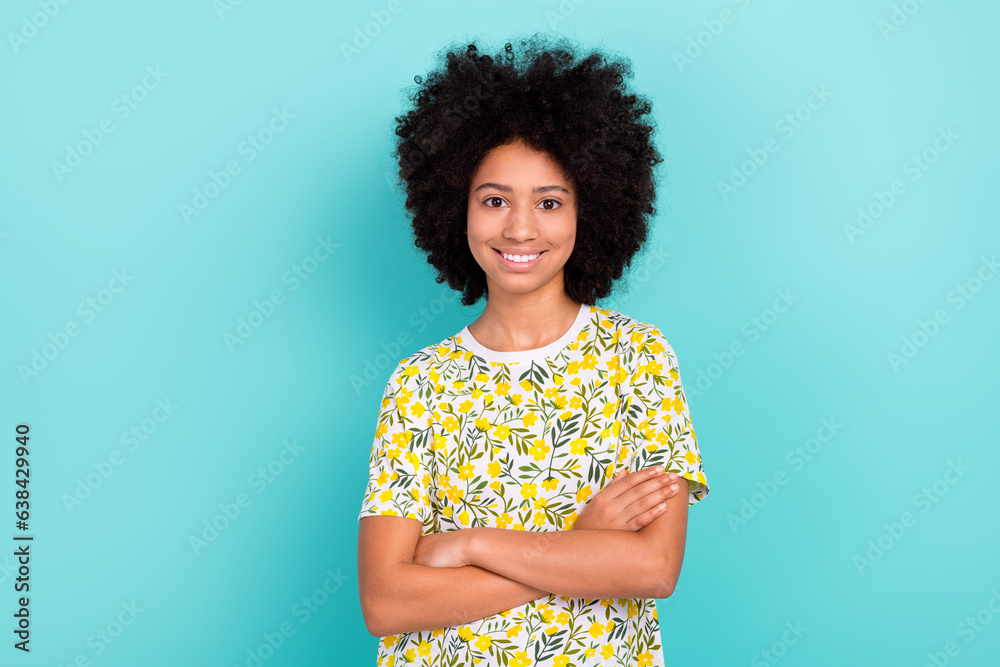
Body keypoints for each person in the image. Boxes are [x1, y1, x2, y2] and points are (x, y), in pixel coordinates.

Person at [357, 33, 711, 667]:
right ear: (454, 209)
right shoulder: (420, 383)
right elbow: (386, 602)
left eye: (549, 202)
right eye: (495, 200)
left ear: (592, 212)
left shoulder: (637, 358)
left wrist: (468, 544)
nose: (520, 228)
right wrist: (580, 548)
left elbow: (653, 568)